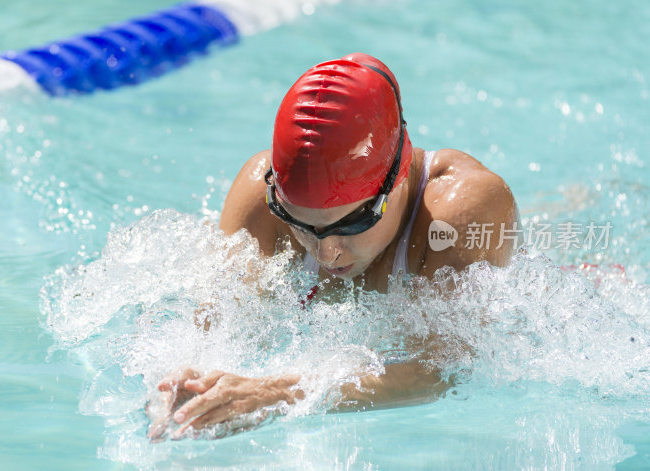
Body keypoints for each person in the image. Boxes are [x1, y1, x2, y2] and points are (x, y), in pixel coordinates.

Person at [147, 52, 519, 440]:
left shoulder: (464, 208)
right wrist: (182, 385)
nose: (326, 254)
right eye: (299, 224)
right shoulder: (261, 196)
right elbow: (210, 326)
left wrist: (277, 393)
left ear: (399, 174)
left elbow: (442, 369)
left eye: (354, 223)